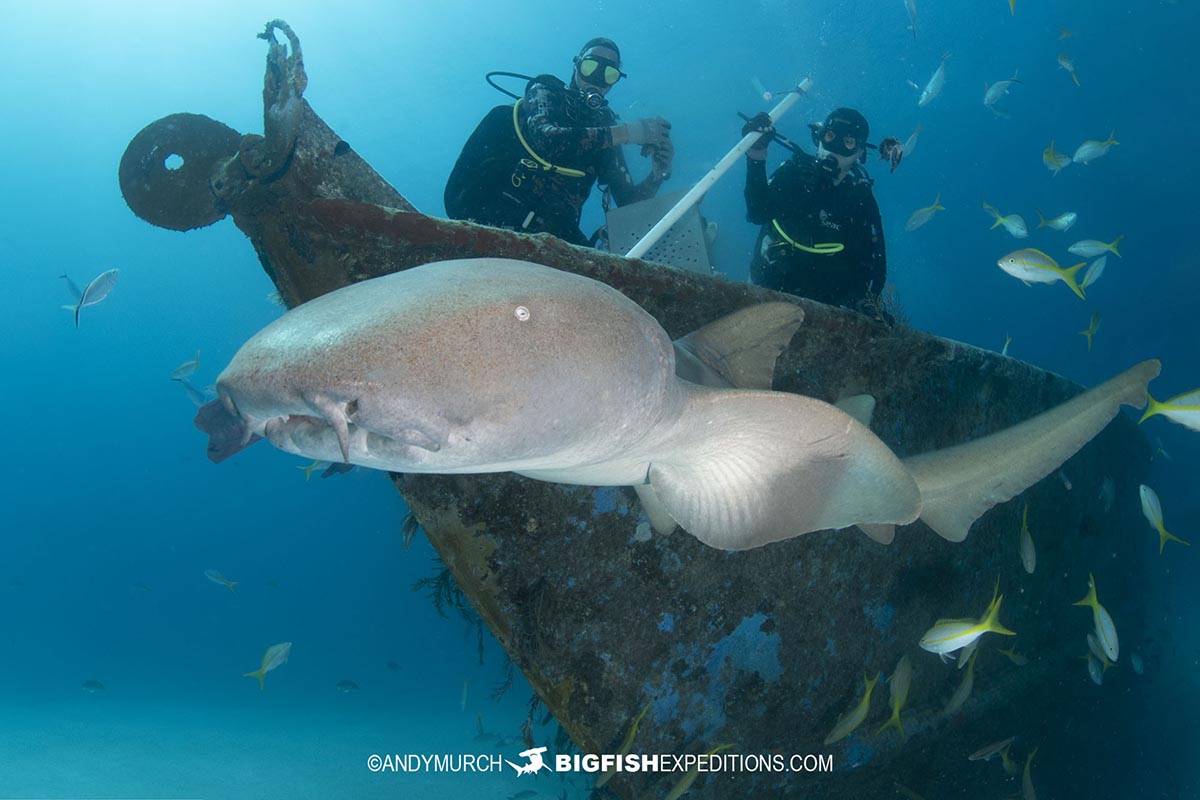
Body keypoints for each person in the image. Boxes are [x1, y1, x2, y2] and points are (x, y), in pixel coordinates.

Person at [444, 38, 674, 247]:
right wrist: (631, 132)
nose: (597, 77)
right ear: (576, 66)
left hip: (557, 238)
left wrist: (658, 174)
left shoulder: (607, 129)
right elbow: (547, 139)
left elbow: (628, 203)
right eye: (590, 67)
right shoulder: (547, 92)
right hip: (495, 219)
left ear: (614, 82)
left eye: (609, 73)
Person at [742, 108, 889, 316]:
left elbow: (874, 268)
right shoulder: (796, 172)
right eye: (830, 136)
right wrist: (756, 155)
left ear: (860, 153)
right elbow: (758, 212)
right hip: (767, 285)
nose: (835, 148)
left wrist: (862, 303)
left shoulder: (859, 199)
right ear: (820, 138)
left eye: (848, 143)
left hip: (825, 306)